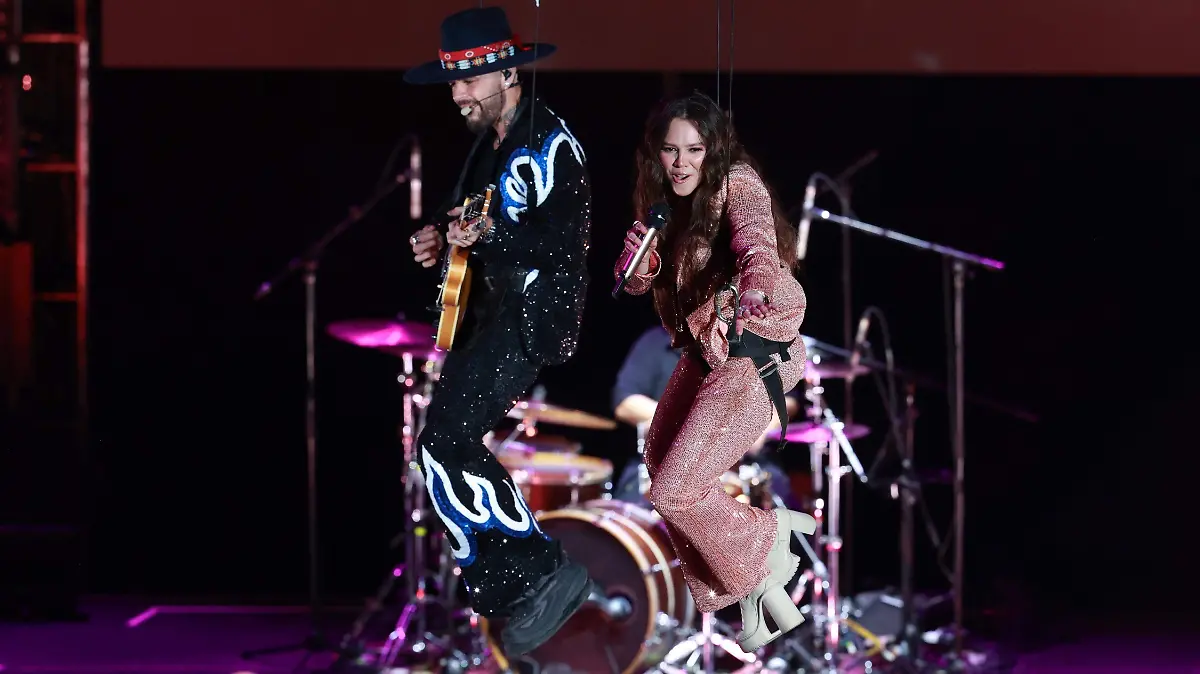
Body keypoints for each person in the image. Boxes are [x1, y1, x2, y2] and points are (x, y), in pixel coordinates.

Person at [404, 7, 593, 656]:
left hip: (528, 317)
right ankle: (521, 589)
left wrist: (489, 235)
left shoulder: (551, 144)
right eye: (453, 82)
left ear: (508, 74)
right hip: (488, 317)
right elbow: (469, 213)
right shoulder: (491, 145)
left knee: (444, 443)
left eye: (468, 81)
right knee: (438, 451)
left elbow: (564, 246)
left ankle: (542, 573)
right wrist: (442, 237)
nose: (457, 95)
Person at [614, 91, 817, 653]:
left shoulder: (737, 182)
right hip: (709, 352)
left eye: (694, 150)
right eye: (670, 150)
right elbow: (639, 284)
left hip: (756, 348)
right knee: (658, 464)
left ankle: (769, 535)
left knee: (677, 488)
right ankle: (757, 594)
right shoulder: (664, 209)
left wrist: (755, 289)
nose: (680, 163)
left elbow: (757, 247)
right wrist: (640, 263)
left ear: (715, 151)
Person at [610, 325, 800, 508]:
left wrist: (757, 429)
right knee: (627, 511)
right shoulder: (656, 340)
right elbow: (625, 402)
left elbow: (787, 401)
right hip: (665, 465)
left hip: (748, 465)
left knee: (782, 503)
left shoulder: (759, 339)